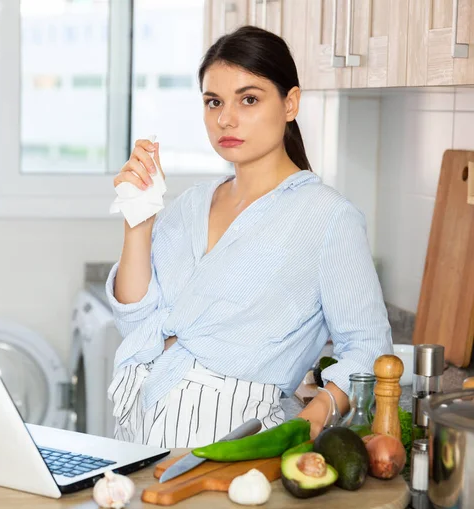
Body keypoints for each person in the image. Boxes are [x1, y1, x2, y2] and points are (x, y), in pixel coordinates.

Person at [105, 25, 392, 448]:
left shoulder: (328, 217)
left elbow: (367, 346)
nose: (226, 118)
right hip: (140, 428)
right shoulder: (190, 205)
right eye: (213, 102)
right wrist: (138, 223)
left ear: (290, 103)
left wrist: (307, 423)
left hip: (238, 439)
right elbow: (133, 321)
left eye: (249, 99)